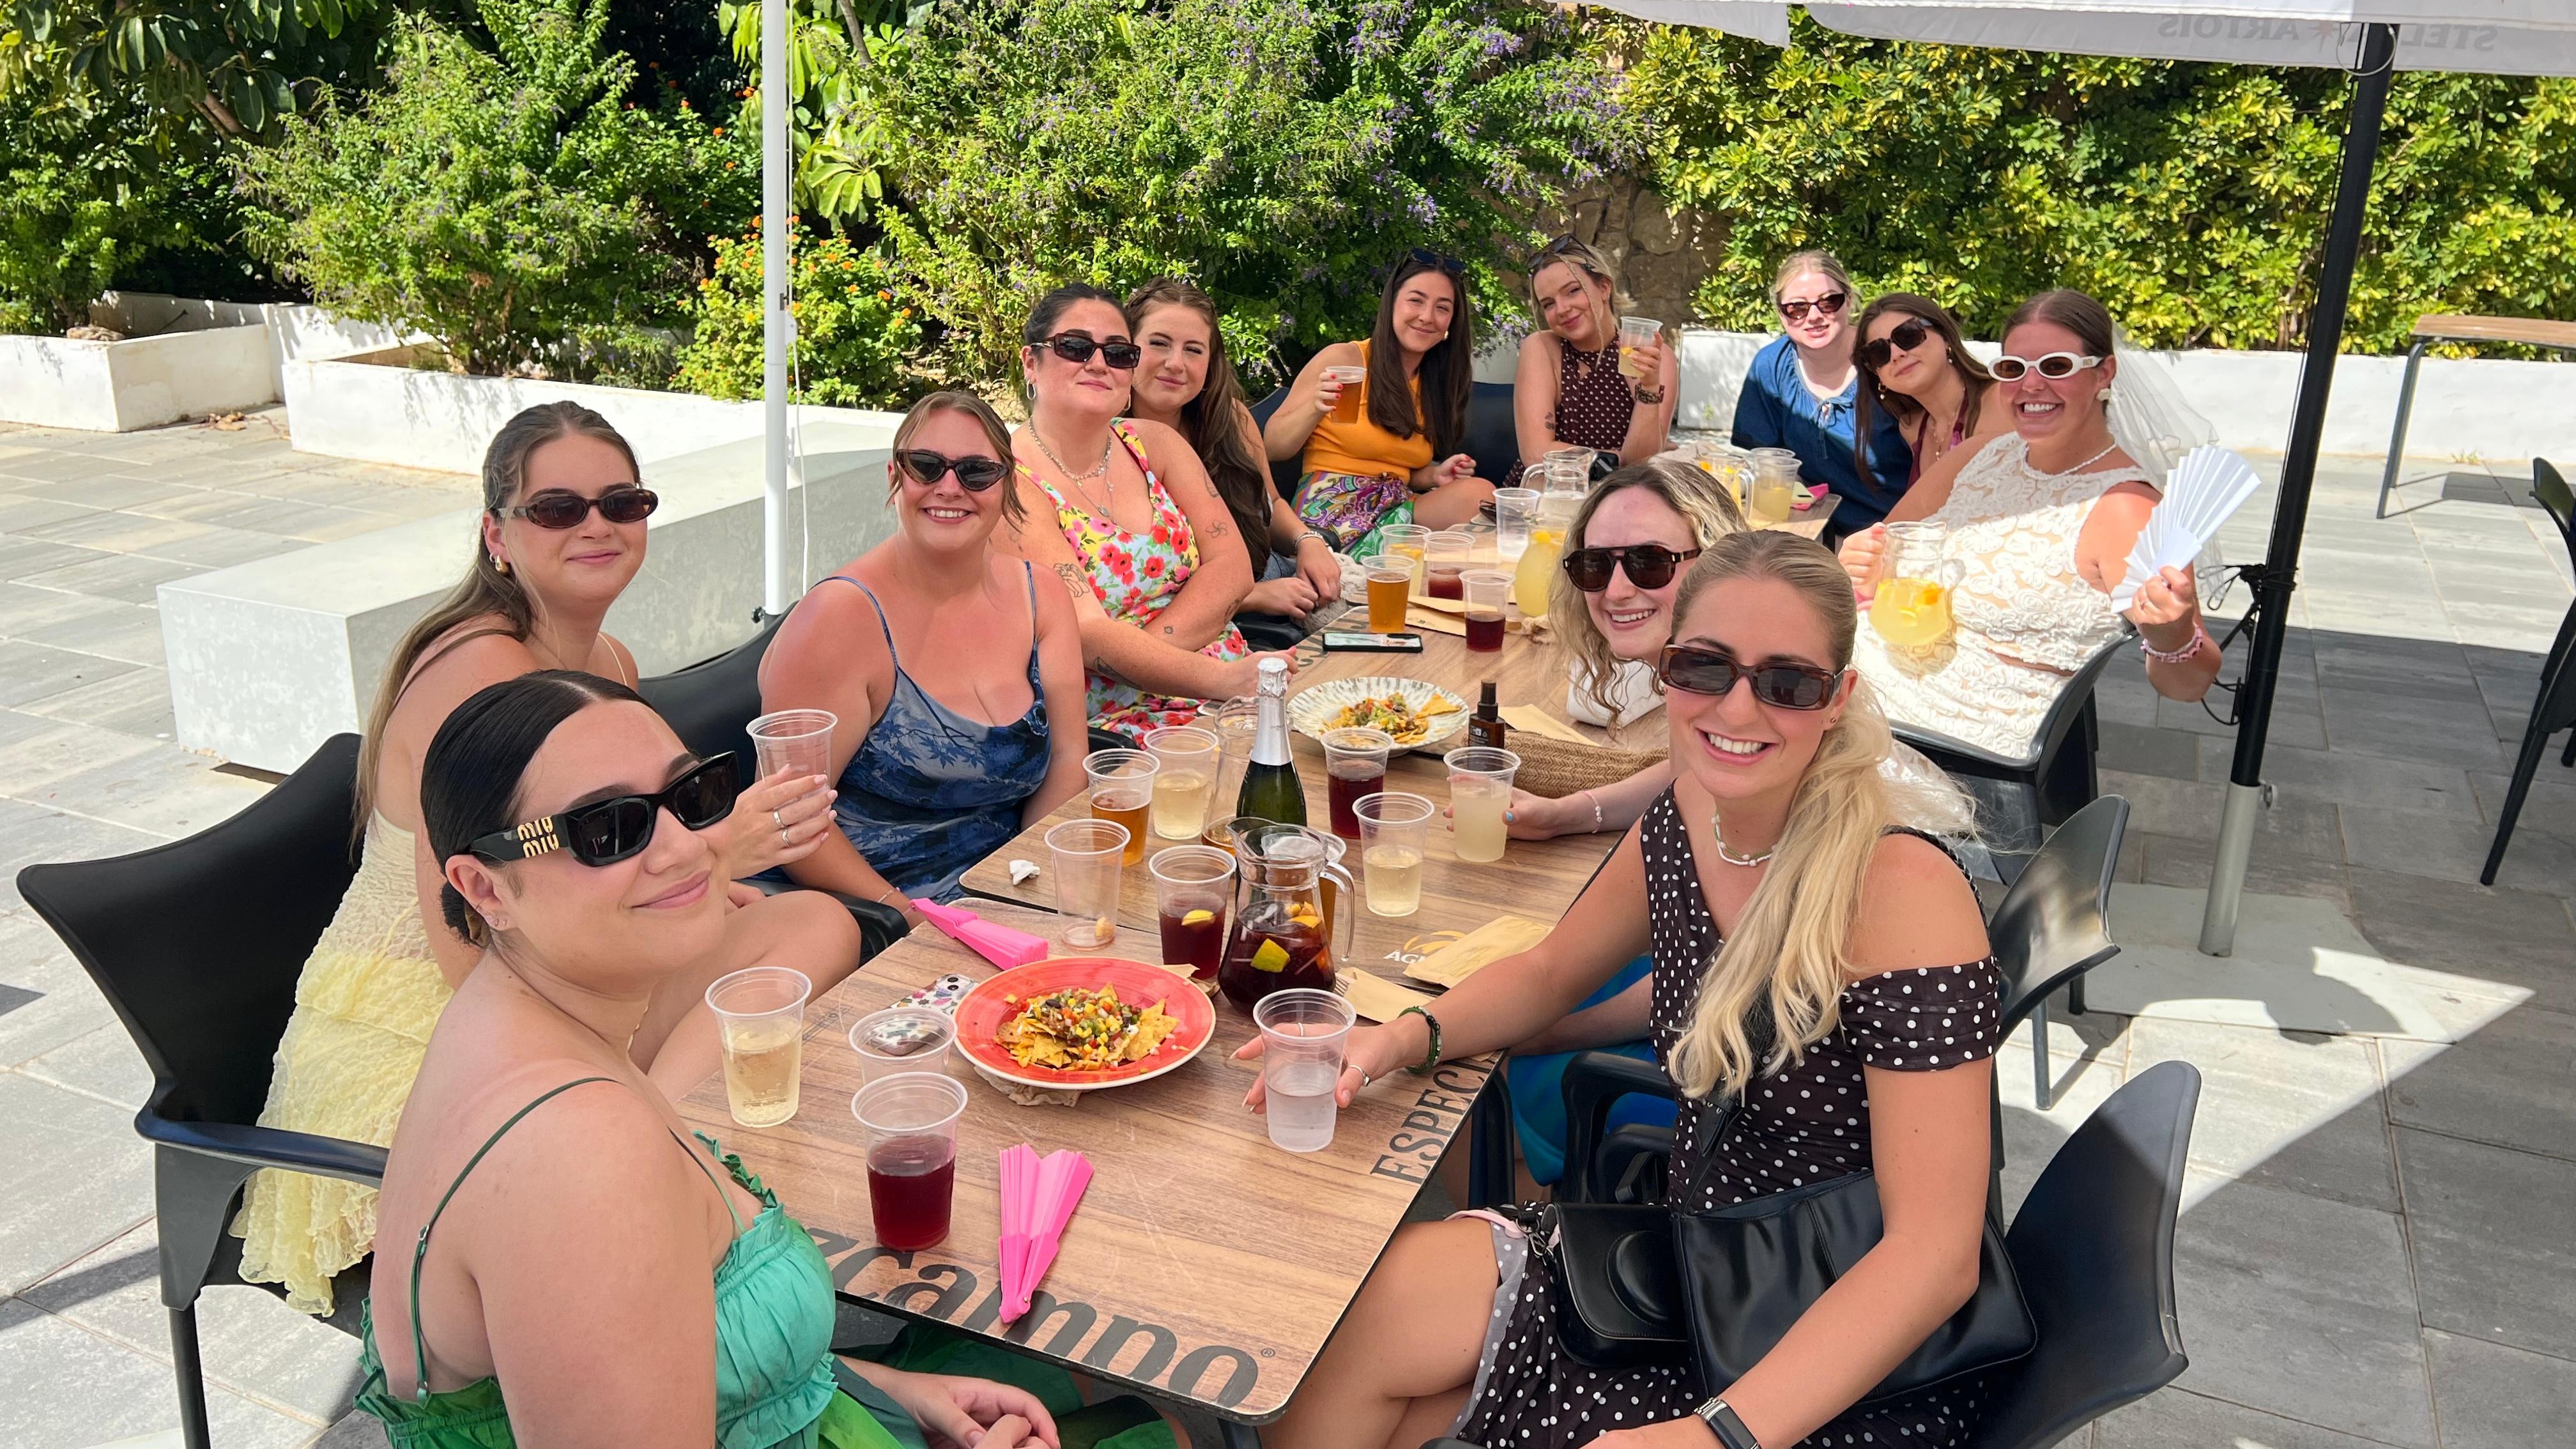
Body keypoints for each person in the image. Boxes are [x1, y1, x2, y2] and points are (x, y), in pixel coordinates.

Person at [1248, 531, 1997, 1449]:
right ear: (1668, 670)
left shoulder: (1901, 891)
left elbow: (1936, 1257)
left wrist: (1714, 1437)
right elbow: (1551, 972)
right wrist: (1400, 1037)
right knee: (1366, 1326)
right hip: (1696, 1260)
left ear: (1837, 699)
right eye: (1705, 667)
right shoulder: (1695, 811)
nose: (1738, 707)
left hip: (1840, 1340)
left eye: (1787, 683)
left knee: (1399, 1408)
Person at [362, 670, 1173, 1448]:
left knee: (1074, 1375)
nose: (683, 849)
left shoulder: (516, 1028)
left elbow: (654, 1356)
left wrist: (883, 1387)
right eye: (606, 829)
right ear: (485, 889)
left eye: (694, 796)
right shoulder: (577, 1157)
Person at [231, 402, 847, 1317]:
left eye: (622, 502)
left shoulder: (606, 660)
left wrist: (708, 881)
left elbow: (611, 850)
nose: (597, 525)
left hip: (563, 961)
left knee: (815, 923)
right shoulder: (478, 680)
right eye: (558, 508)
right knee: (778, 957)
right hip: (435, 1028)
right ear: (498, 535)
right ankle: (661, 1157)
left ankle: (666, 1142)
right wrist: (719, 860)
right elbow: (472, 953)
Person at [1486, 457, 1745, 1190]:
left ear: (1715, 560)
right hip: (1707, 994)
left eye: (1651, 562)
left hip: (1738, 1074)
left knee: (1479, 1071)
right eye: (1596, 566)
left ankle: (1548, 1237)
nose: (1618, 589)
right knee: (1499, 986)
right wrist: (1574, 813)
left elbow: (1706, 981)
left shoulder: (1743, 708)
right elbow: (1685, 778)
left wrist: (1543, 1033)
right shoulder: (1716, 676)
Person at [1837, 288, 2222, 767]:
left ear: (2104, 373)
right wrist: (1862, 558)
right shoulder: (1979, 455)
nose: (2031, 385)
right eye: (2014, 368)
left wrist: (2172, 636)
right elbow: (1887, 542)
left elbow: (2188, 685)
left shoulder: (2127, 509)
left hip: (1949, 747)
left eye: (2056, 367)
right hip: (1865, 687)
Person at [758, 391, 1091, 916]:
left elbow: (1070, 759)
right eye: (927, 466)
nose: (950, 487)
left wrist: (1022, 884)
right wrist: (914, 922)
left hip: (1010, 888)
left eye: (977, 472)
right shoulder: (837, 620)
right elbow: (790, 818)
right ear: (896, 475)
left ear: (1007, 485)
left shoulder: (1041, 597)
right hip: (875, 911)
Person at [1002, 284, 1285, 740]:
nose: (1099, 364)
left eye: (1118, 353)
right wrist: (1217, 679)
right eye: (1075, 347)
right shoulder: (1008, 481)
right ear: (1031, 362)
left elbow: (1233, 567)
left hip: (1236, 689)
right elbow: (1086, 633)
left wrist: (1155, 654)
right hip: (1122, 727)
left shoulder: (1154, 443)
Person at [1124, 278, 1341, 619]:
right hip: (1179, 618)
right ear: (1126, 349)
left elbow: (1269, 505)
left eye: (1193, 350)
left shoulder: (1231, 419)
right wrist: (1250, 597)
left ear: (1211, 363)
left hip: (1268, 576)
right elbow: (1121, 581)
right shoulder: (1104, 439)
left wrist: (1308, 541)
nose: (1176, 363)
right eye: (1159, 343)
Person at [1263, 252, 1488, 558]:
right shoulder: (1344, 358)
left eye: (1442, 308)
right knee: (1450, 543)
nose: (1427, 316)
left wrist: (1434, 476)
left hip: (1395, 505)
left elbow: (1396, 468)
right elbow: (1272, 447)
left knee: (1480, 497)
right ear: (1392, 303)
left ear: (1451, 322)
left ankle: (1412, 570)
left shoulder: (1436, 383)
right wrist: (1315, 407)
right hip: (1332, 507)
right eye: (1416, 301)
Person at [1730, 250, 1913, 539]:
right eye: (1797, 308)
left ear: (1849, 300)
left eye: (1829, 302)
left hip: (1898, 532)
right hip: (1815, 536)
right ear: (1781, 313)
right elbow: (1768, 462)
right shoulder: (1771, 367)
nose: (1814, 316)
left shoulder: (1885, 358)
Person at [1512, 235, 1677, 469]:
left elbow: (1642, 463)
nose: (1562, 309)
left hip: (1621, 489)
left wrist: (1648, 389)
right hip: (1552, 485)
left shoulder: (1648, 353)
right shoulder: (1542, 348)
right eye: (1548, 304)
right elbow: (1536, 454)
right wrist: (1617, 458)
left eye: (1572, 291)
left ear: (1604, 287)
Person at [1850, 293, 2014, 494]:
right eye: (1878, 352)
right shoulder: (1912, 428)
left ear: (1945, 337)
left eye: (1908, 336)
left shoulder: (2002, 399)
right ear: (1877, 375)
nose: (1896, 355)